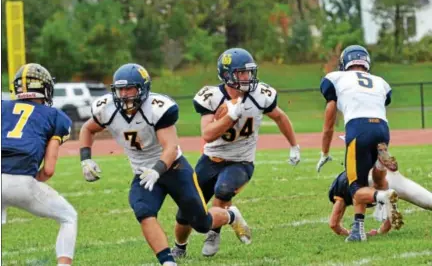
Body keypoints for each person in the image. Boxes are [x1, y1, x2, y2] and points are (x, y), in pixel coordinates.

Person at [78, 63, 250, 266]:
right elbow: (87, 129)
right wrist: (86, 158)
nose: (124, 94)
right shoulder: (106, 108)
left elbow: (170, 147)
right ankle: (168, 262)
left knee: (201, 223)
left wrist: (157, 170)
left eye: (129, 88)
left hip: (174, 169)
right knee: (143, 210)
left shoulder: (157, 108)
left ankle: (231, 215)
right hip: (143, 172)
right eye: (120, 89)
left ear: (142, 89)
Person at [172, 48, 301, 258]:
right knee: (186, 212)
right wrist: (229, 116)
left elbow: (280, 117)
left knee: (223, 190)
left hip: (240, 161)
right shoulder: (212, 97)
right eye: (241, 73)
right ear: (226, 75)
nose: (247, 77)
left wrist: (293, 145)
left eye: (249, 72)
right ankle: (180, 247)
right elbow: (207, 134)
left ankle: (213, 233)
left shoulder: (260, 94)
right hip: (210, 159)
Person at [316, 45, 403, 242]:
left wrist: (324, 151)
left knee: (356, 187)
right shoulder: (380, 81)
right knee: (371, 178)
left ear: (344, 63)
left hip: (358, 128)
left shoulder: (335, 78)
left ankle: (383, 197)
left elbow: (329, 124)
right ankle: (358, 228)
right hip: (382, 129)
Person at [1, 63, 77, 266]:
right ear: (45, 88)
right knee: (68, 217)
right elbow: (49, 169)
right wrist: (29, 182)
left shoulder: (2, 107)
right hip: (20, 179)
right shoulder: (55, 116)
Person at [328, 168, 431, 236]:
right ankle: (383, 195)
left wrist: (348, 233)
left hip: (373, 181)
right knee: (429, 201)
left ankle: (382, 195)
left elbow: (333, 224)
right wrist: (379, 232)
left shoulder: (341, 190)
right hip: (391, 175)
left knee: (363, 197)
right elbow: (390, 218)